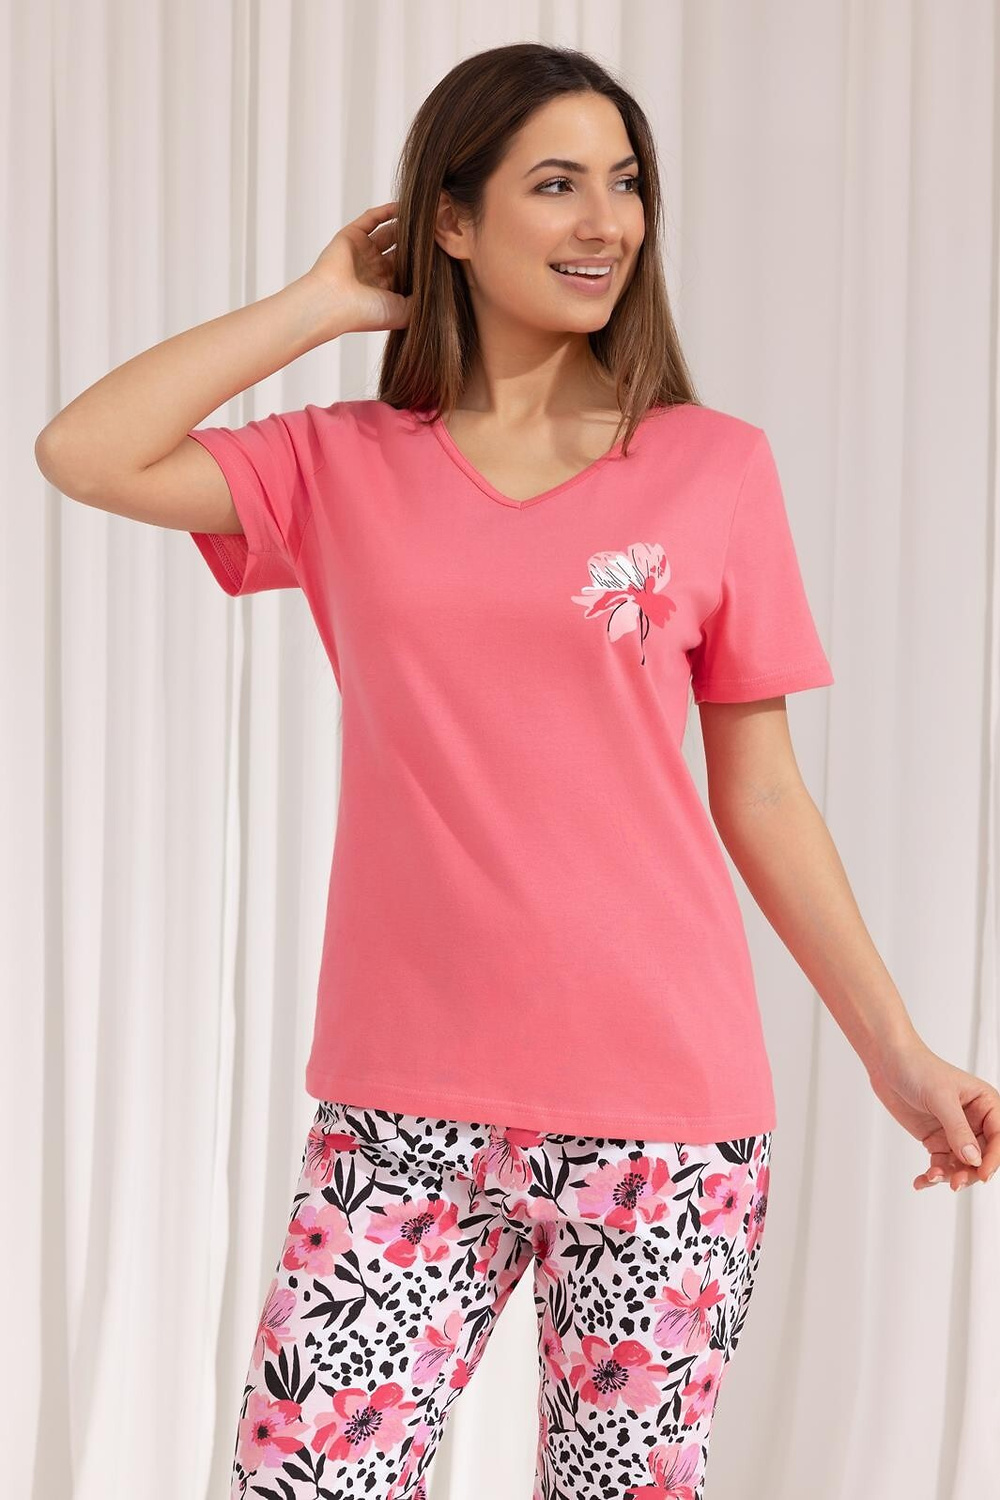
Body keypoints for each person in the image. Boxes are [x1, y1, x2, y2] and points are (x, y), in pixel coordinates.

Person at [34, 40, 999, 1500]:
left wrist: (895, 1050)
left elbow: (763, 793)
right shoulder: (340, 462)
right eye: (555, 184)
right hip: (398, 1112)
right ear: (450, 218)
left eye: (626, 183)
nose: (606, 221)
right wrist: (320, 303)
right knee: (303, 1479)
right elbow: (83, 451)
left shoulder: (715, 467)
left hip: (668, 1120)